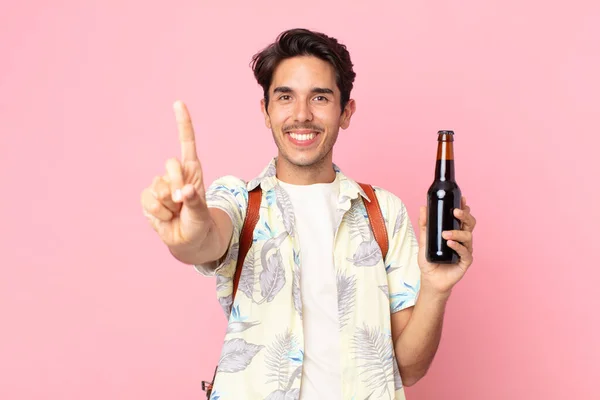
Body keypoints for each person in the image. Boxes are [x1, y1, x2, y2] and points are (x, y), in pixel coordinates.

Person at [140, 28, 477, 400]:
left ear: (345, 111)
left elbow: (410, 369)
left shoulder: (384, 212)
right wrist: (188, 235)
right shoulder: (238, 200)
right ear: (266, 112)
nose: (302, 115)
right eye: (285, 97)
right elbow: (205, 238)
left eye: (319, 97)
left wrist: (436, 289)